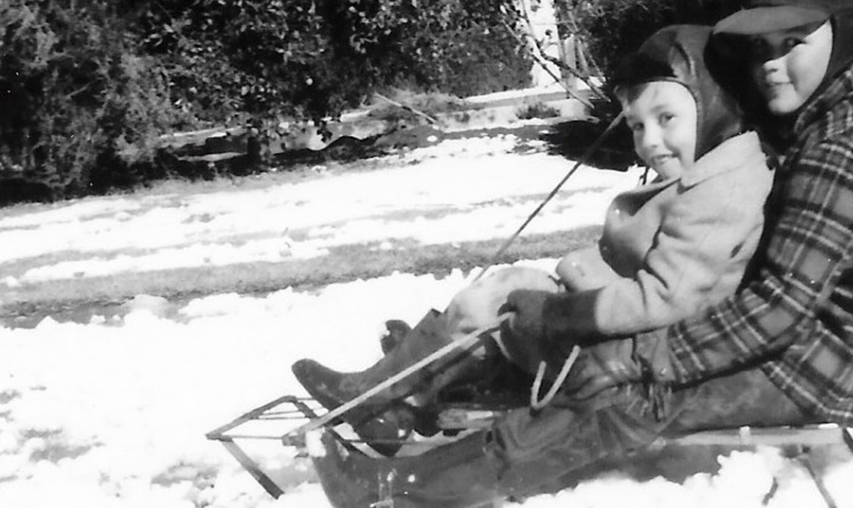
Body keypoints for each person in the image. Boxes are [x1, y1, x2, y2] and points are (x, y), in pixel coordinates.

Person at [307, 0, 853, 508]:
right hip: (845, 356)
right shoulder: (842, 124)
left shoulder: (840, 151)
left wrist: (640, 359)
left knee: (625, 397)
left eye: (795, 41)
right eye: (762, 46)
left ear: (848, 33)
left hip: (835, 370)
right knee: (615, 367)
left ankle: (395, 493)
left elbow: (775, 311)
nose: (772, 64)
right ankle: (423, 397)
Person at [293, 24, 772, 442]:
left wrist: (559, 312)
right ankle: (422, 372)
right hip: (614, 327)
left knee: (497, 299)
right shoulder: (712, 171)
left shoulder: (723, 190)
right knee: (502, 296)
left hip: (633, 350)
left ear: (713, 105)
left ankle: (394, 395)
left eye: (666, 119)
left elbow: (666, 299)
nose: (649, 141)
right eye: (636, 125)